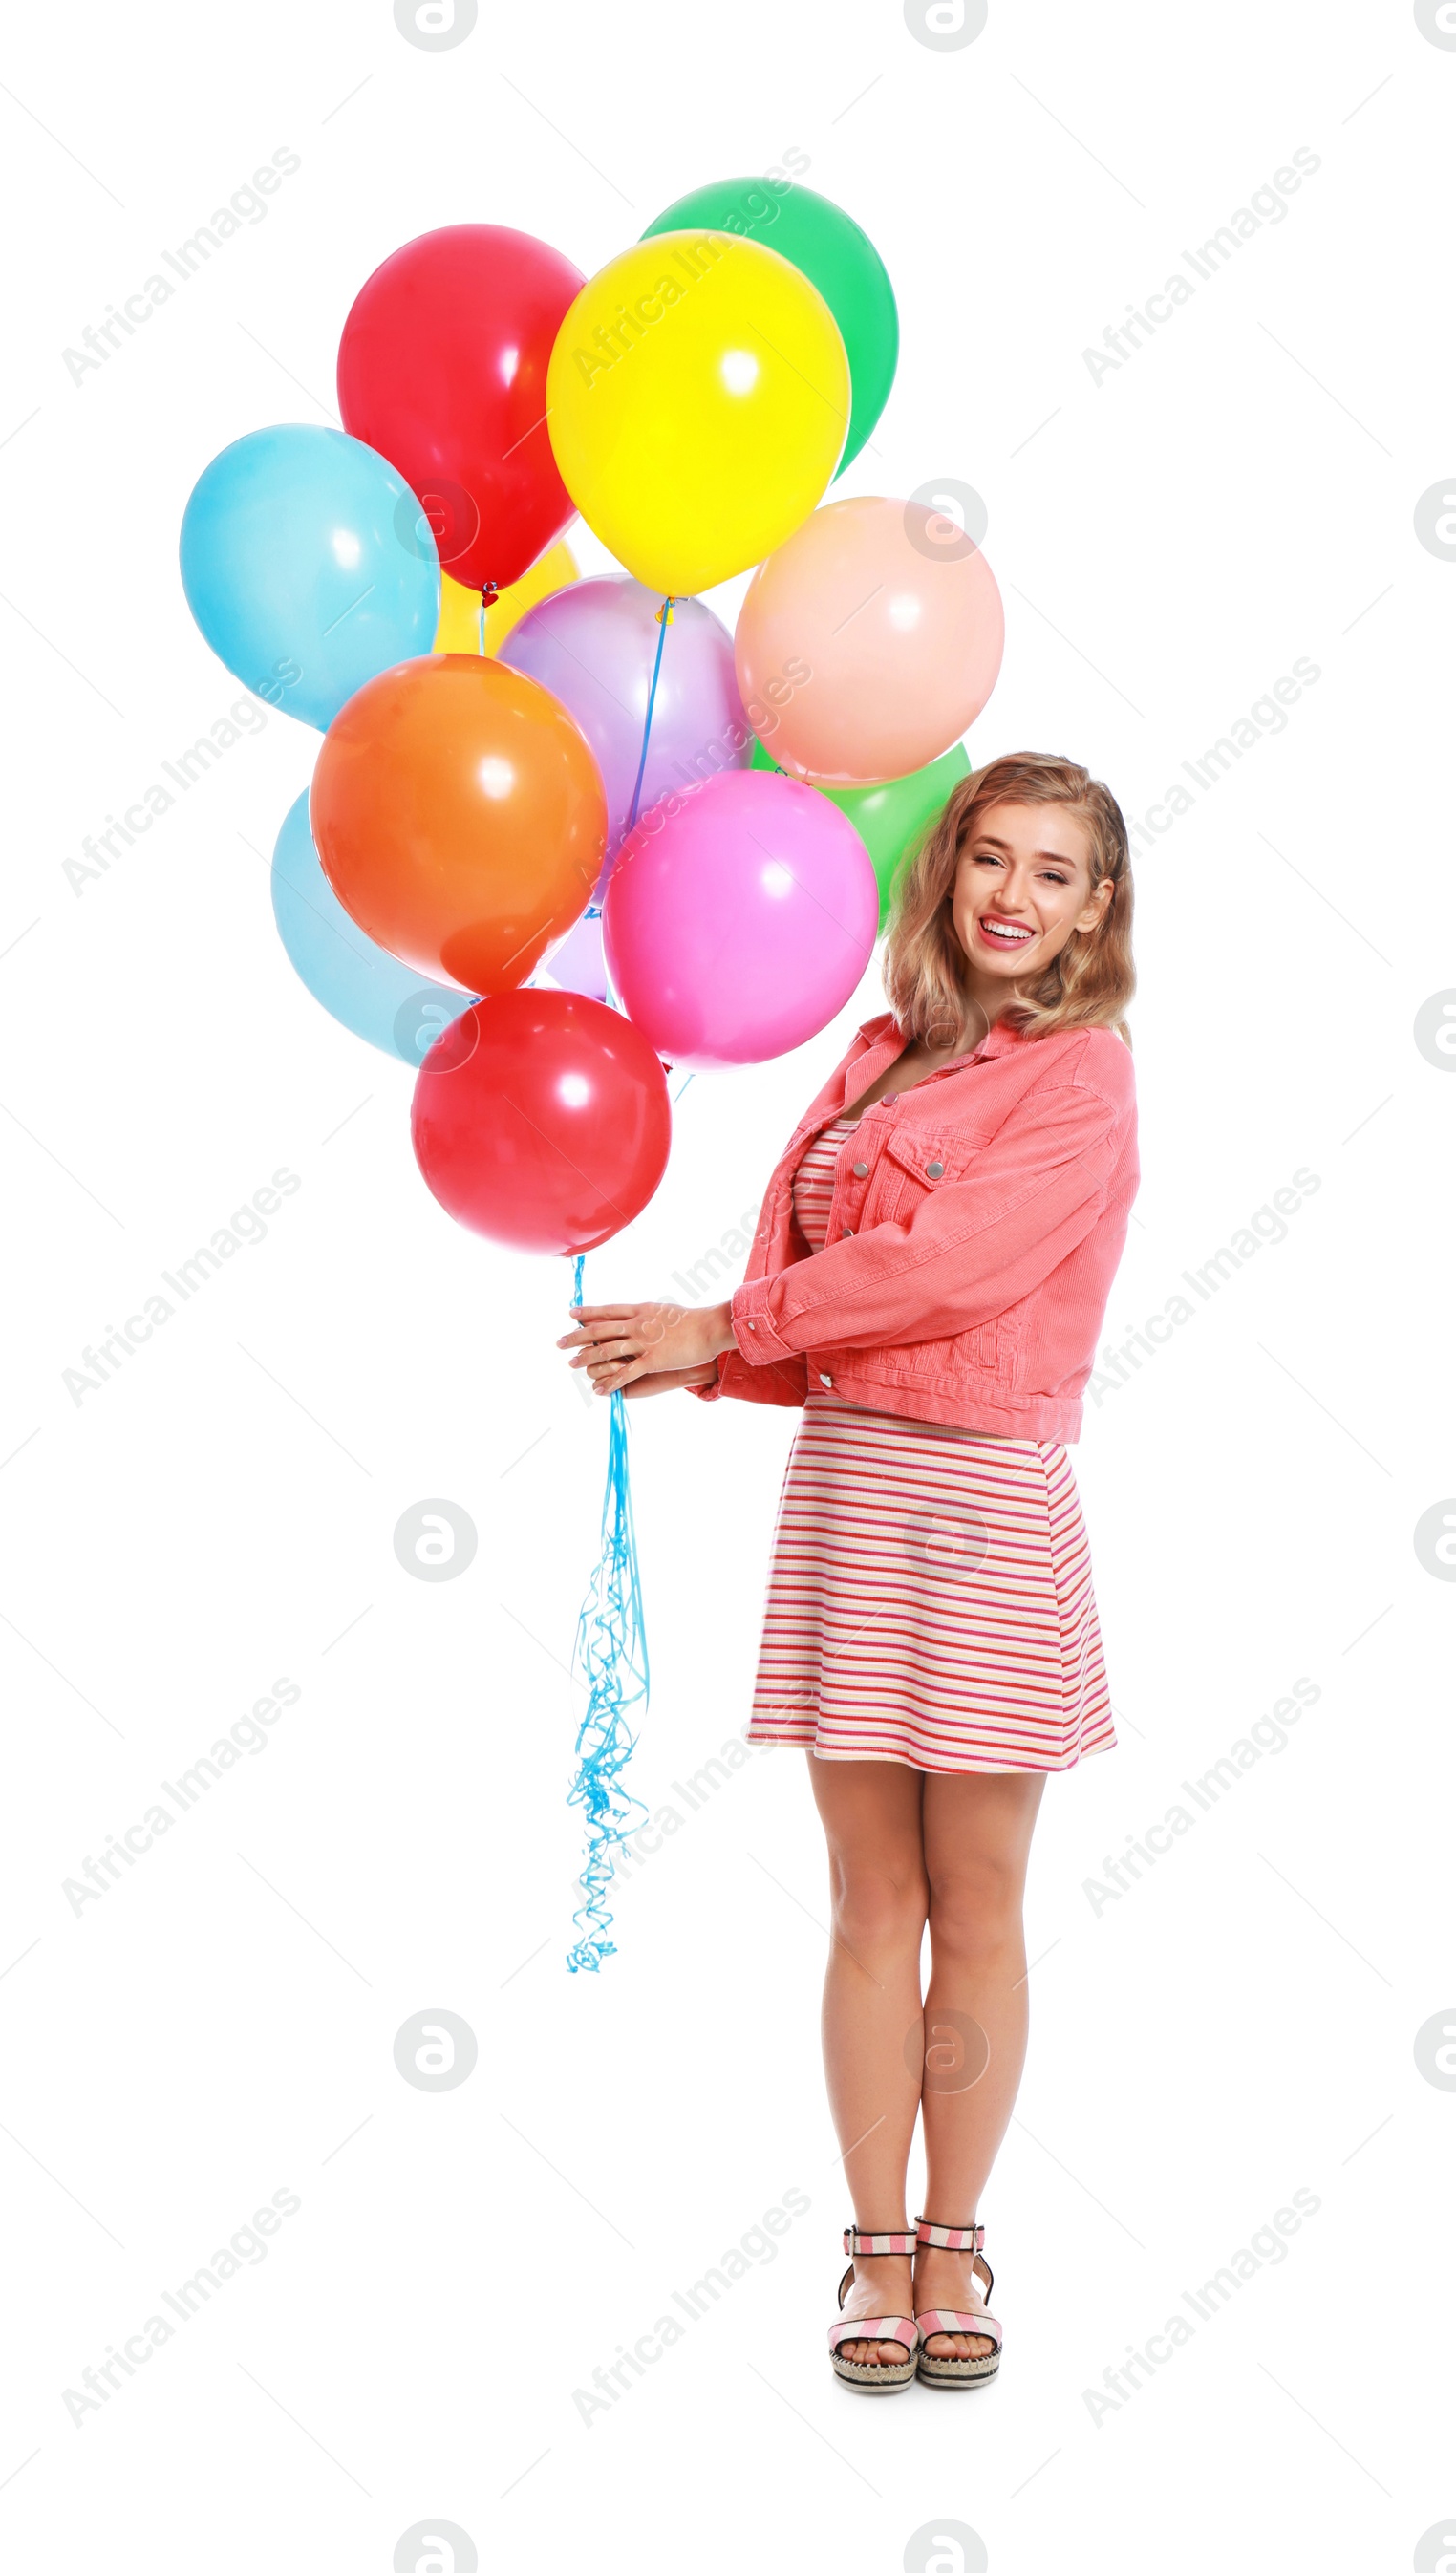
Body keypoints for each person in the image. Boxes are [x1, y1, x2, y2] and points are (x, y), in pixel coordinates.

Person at [558, 751, 1138, 2393]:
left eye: (1054, 872)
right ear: (948, 874)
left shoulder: (1085, 1077)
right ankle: (873, 2247)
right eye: (992, 862)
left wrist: (720, 1332)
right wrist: (703, 1360)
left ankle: (959, 2238)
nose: (1015, 897)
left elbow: (947, 1264)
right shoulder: (873, 1058)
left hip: (981, 1510)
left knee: (983, 1900)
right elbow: (812, 1271)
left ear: (1098, 907)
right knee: (871, 1898)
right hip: (851, 1499)